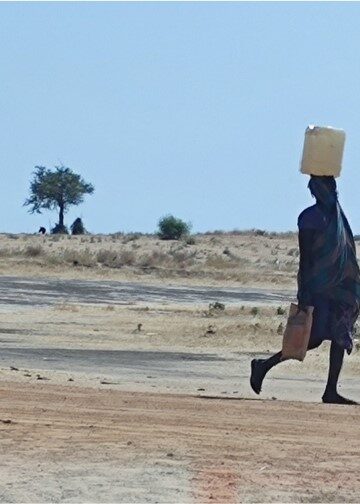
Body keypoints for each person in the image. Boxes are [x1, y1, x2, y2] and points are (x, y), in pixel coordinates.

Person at [250, 175, 360, 404]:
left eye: (332, 187)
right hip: (319, 287)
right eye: (325, 187)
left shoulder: (337, 218)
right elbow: (306, 258)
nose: (331, 192)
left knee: (340, 336)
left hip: (341, 289)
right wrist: (305, 291)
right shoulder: (310, 218)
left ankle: (330, 391)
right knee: (314, 338)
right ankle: (264, 365)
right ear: (315, 191)